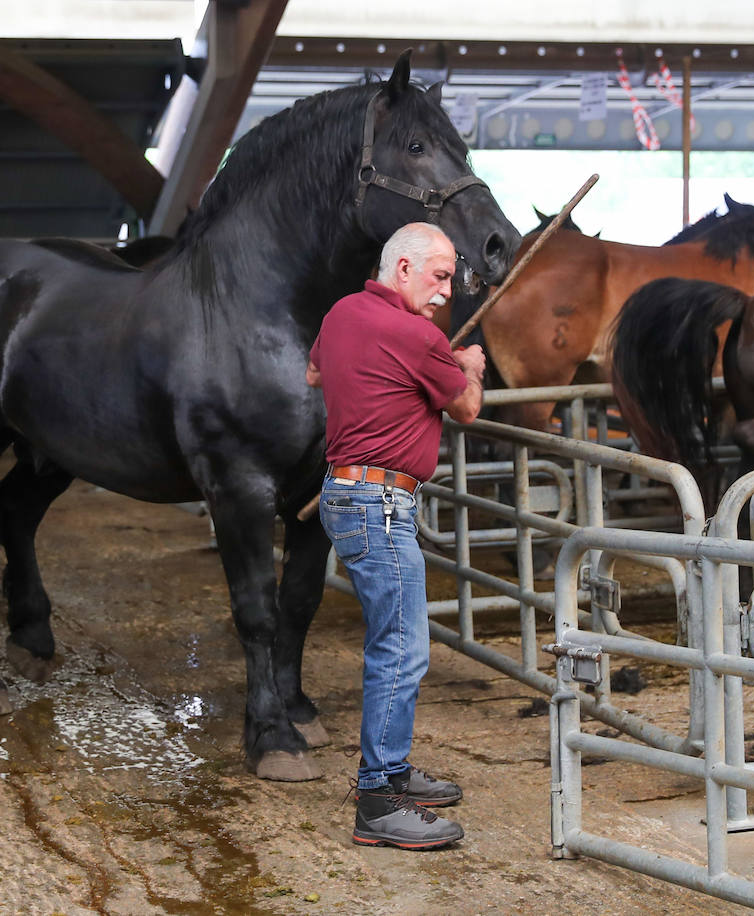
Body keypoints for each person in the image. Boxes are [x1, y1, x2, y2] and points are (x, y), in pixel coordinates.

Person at [306, 222, 485, 850]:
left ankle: (395, 772)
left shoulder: (340, 315)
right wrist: (468, 366)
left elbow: (314, 377)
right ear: (402, 269)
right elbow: (466, 408)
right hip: (380, 503)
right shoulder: (416, 335)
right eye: (439, 277)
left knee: (395, 642)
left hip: (344, 493)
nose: (445, 293)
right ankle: (379, 801)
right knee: (401, 650)